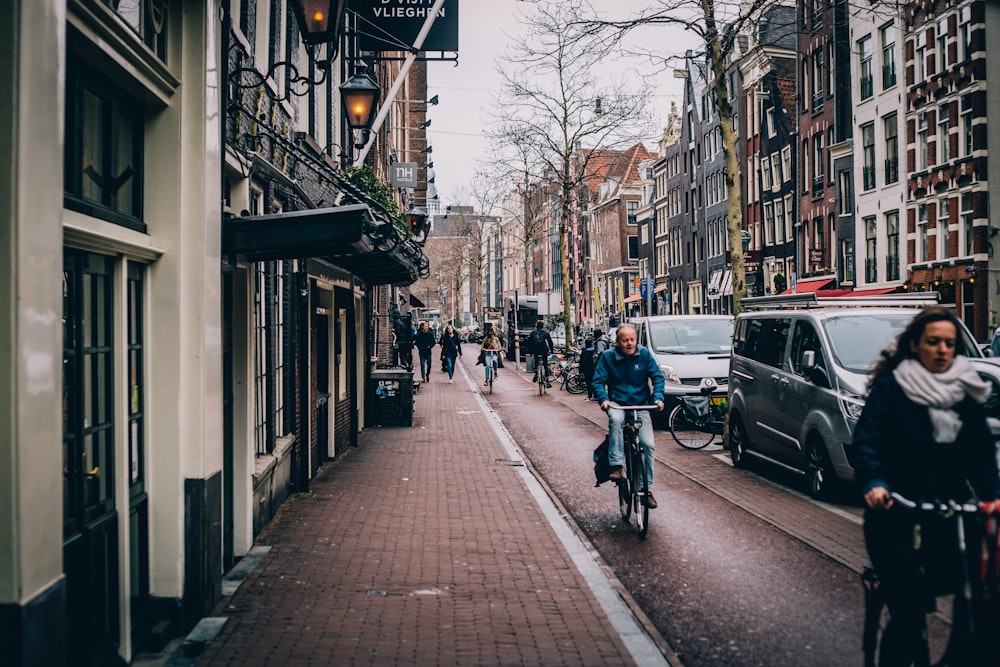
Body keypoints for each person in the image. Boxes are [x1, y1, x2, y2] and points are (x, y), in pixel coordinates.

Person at [854, 305, 1000, 667]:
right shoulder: (891, 389)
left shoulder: (964, 393)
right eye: (934, 342)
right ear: (916, 345)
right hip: (896, 511)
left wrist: (993, 497)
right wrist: (875, 484)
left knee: (974, 593)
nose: (942, 350)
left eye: (949, 344)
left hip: (949, 512)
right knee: (908, 611)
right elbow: (867, 442)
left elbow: (981, 453)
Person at [592, 324, 665, 508]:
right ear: (617, 342)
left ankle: (645, 489)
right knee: (616, 419)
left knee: (648, 445)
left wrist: (658, 398)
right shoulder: (608, 357)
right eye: (625, 340)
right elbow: (598, 381)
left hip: (640, 405)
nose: (630, 343)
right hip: (618, 403)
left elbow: (657, 377)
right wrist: (604, 400)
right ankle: (616, 465)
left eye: (632, 339)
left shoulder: (645, 355)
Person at [527, 320, 555, 387]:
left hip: (536, 350)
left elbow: (529, 343)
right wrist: (552, 350)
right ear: (542, 326)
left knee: (536, 360)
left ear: (536, 326)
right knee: (545, 364)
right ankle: (547, 380)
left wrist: (531, 351)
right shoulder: (545, 333)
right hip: (543, 350)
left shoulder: (532, 333)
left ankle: (536, 373)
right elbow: (550, 342)